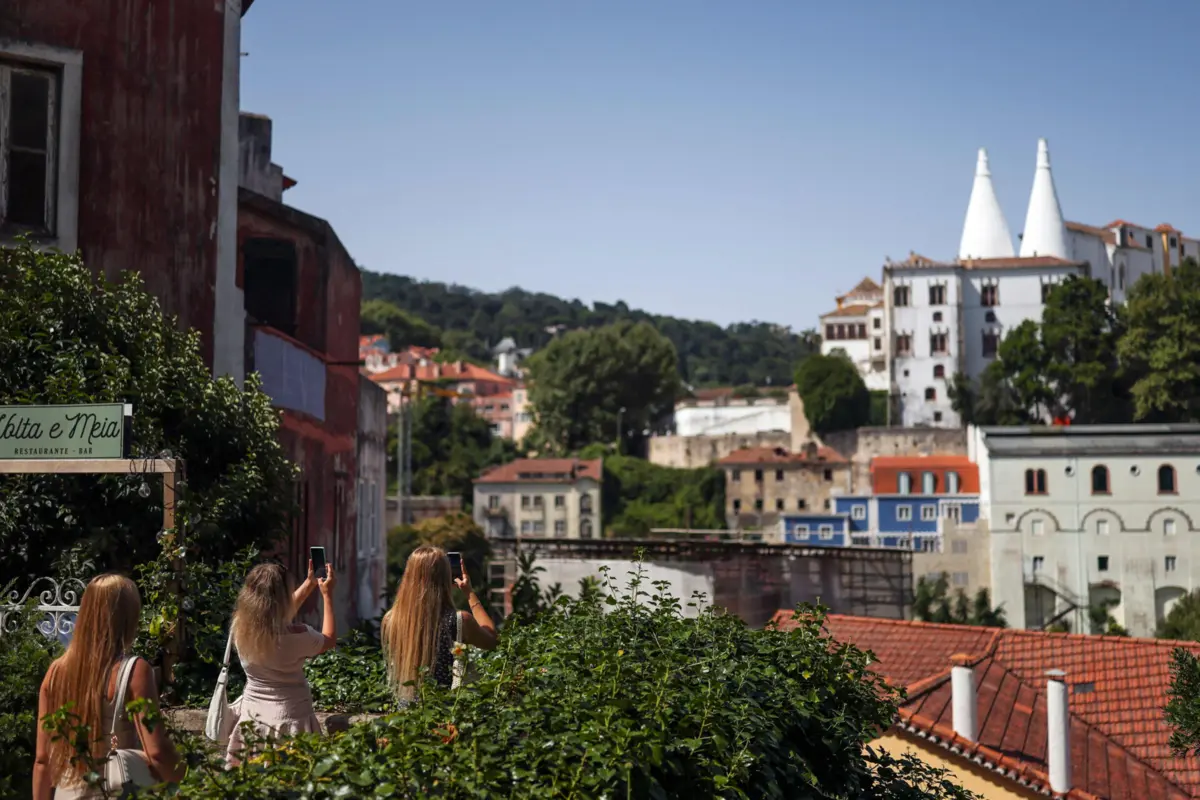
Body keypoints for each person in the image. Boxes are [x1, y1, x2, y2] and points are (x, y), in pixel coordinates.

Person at [33, 574, 184, 799]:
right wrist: (189, 781)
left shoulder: (55, 673)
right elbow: (157, 752)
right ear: (127, 618)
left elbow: (43, 760)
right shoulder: (134, 671)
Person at [225, 560, 336, 763]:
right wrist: (327, 595)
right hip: (292, 720)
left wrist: (309, 584)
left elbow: (271, 616)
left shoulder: (240, 628)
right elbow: (329, 639)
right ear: (284, 598)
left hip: (253, 718)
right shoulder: (298, 636)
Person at [381, 546, 498, 703]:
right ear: (445, 578)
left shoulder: (391, 620)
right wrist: (468, 592)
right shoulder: (459, 620)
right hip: (444, 713)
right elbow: (492, 640)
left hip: (406, 714)